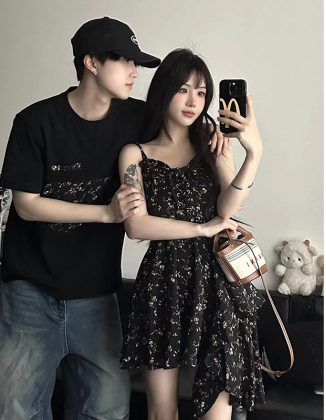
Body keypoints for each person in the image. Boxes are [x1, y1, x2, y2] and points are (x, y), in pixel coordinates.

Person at [0, 17, 161, 420]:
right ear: (91, 63)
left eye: (136, 62)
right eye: (123, 60)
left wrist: (225, 138)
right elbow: (26, 204)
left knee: (107, 411)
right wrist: (106, 213)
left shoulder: (138, 119)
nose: (134, 71)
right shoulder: (35, 122)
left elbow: (181, 133)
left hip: (98, 295)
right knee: (14, 412)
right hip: (30, 293)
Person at [119, 48, 267, 420]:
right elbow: (136, 225)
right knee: (161, 411)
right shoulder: (135, 154)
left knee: (216, 410)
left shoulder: (212, 144)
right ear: (164, 91)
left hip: (215, 284)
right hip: (162, 282)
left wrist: (254, 153)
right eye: (183, 89)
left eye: (201, 92)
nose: (192, 101)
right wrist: (200, 228)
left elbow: (229, 208)